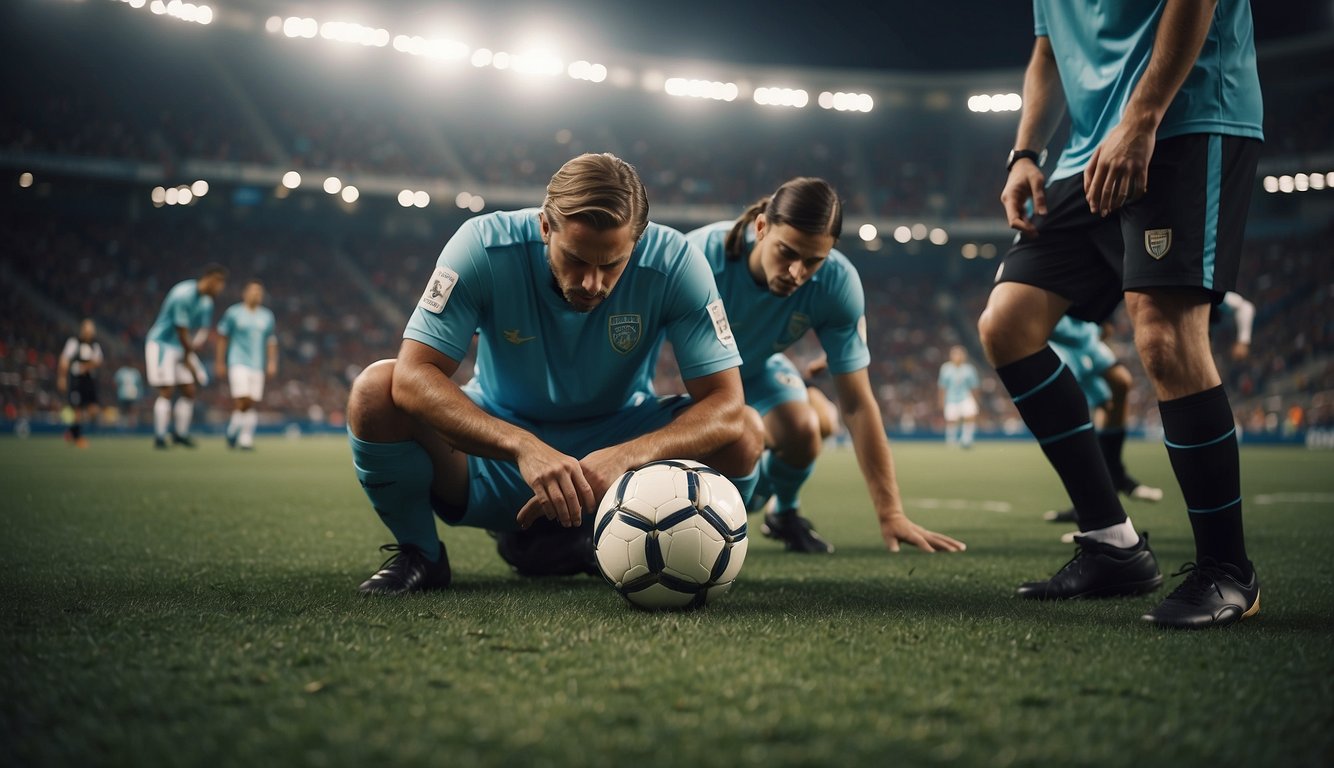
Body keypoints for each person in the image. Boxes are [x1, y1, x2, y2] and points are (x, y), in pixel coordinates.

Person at [347, 153, 763, 595]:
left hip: (618, 463)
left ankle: (595, 538)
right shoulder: (482, 246)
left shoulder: (677, 263)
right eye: (577, 260)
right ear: (546, 226)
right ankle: (421, 554)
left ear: (637, 243)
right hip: (499, 455)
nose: (592, 283)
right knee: (375, 390)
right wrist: (523, 448)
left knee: (745, 434)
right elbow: (412, 377)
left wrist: (629, 456)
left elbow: (727, 404)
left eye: (611, 265)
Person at [979, 0, 1263, 628]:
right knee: (1008, 325)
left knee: (1163, 335)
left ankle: (1228, 571)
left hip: (1185, 117)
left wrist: (1143, 114)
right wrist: (1025, 151)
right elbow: (1050, 49)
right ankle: (1114, 545)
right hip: (1085, 154)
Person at [686, 177, 965, 555]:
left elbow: (857, 404)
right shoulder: (697, 257)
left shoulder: (837, 284)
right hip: (694, 381)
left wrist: (891, 512)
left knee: (805, 428)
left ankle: (782, 515)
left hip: (756, 371)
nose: (797, 273)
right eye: (786, 253)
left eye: (813, 261)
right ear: (762, 227)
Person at [1043, 316, 1163, 527]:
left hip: (1085, 335)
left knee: (1120, 385)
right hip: (1062, 341)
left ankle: (1114, 475)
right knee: (1073, 407)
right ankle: (1093, 503)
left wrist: (1102, 320)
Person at [145, 264, 228, 449]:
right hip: (162, 344)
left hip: (181, 348)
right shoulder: (183, 294)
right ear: (209, 280)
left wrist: (195, 346)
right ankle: (160, 436)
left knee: (189, 390)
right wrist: (189, 358)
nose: (221, 290)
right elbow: (181, 330)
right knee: (166, 390)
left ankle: (180, 434)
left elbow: (203, 329)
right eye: (219, 284)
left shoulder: (207, 302)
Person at [216, 279, 278, 451]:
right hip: (238, 362)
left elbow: (271, 341)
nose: (257, 295)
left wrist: (272, 362)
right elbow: (223, 336)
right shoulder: (234, 313)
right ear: (245, 294)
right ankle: (244, 437)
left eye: (260, 292)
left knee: (250, 402)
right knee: (243, 399)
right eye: (253, 291)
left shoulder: (267, 316)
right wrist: (220, 362)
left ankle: (236, 434)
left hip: (257, 364)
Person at [56, 318, 103, 448]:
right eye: (88, 329)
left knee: (93, 410)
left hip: (89, 381)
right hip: (77, 380)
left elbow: (99, 361)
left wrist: (87, 366)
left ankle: (71, 431)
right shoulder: (74, 342)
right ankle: (77, 437)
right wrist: (62, 378)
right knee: (77, 409)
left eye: (92, 329)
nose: (91, 332)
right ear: (83, 330)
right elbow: (64, 359)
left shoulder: (95, 345)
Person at [937, 345, 980, 449]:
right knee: (951, 420)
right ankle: (951, 440)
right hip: (951, 398)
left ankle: (967, 439)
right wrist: (941, 401)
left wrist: (976, 400)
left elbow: (975, 386)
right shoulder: (945, 368)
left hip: (966, 397)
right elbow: (942, 387)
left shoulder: (969, 369)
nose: (958, 356)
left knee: (970, 415)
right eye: (955, 354)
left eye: (960, 354)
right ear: (951, 356)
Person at [113, 363, 144, 429]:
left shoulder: (135, 372)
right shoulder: (121, 371)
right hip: (123, 395)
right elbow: (115, 382)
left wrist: (139, 394)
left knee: (132, 413)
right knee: (123, 412)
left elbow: (139, 384)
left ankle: (132, 429)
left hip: (133, 396)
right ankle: (122, 428)